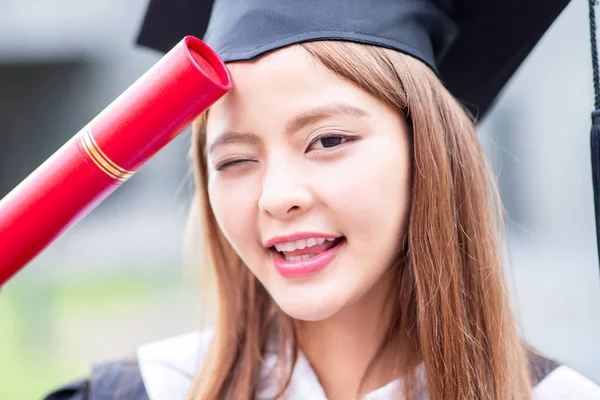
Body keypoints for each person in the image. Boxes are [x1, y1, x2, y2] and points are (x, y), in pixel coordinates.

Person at [44, 0, 600, 399]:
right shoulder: (143, 391)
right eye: (235, 160)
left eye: (328, 140)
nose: (277, 197)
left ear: (430, 153)